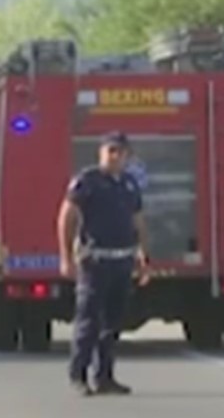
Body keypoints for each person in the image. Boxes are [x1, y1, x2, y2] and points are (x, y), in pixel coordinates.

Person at [57, 131, 148, 397]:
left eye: (121, 152)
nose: (116, 156)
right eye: (111, 151)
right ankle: (79, 375)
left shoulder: (129, 184)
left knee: (113, 324)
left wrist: (143, 256)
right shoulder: (87, 181)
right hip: (95, 262)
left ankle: (105, 377)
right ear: (101, 153)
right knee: (88, 322)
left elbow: (138, 221)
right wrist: (66, 257)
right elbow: (66, 218)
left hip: (122, 261)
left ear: (128, 156)